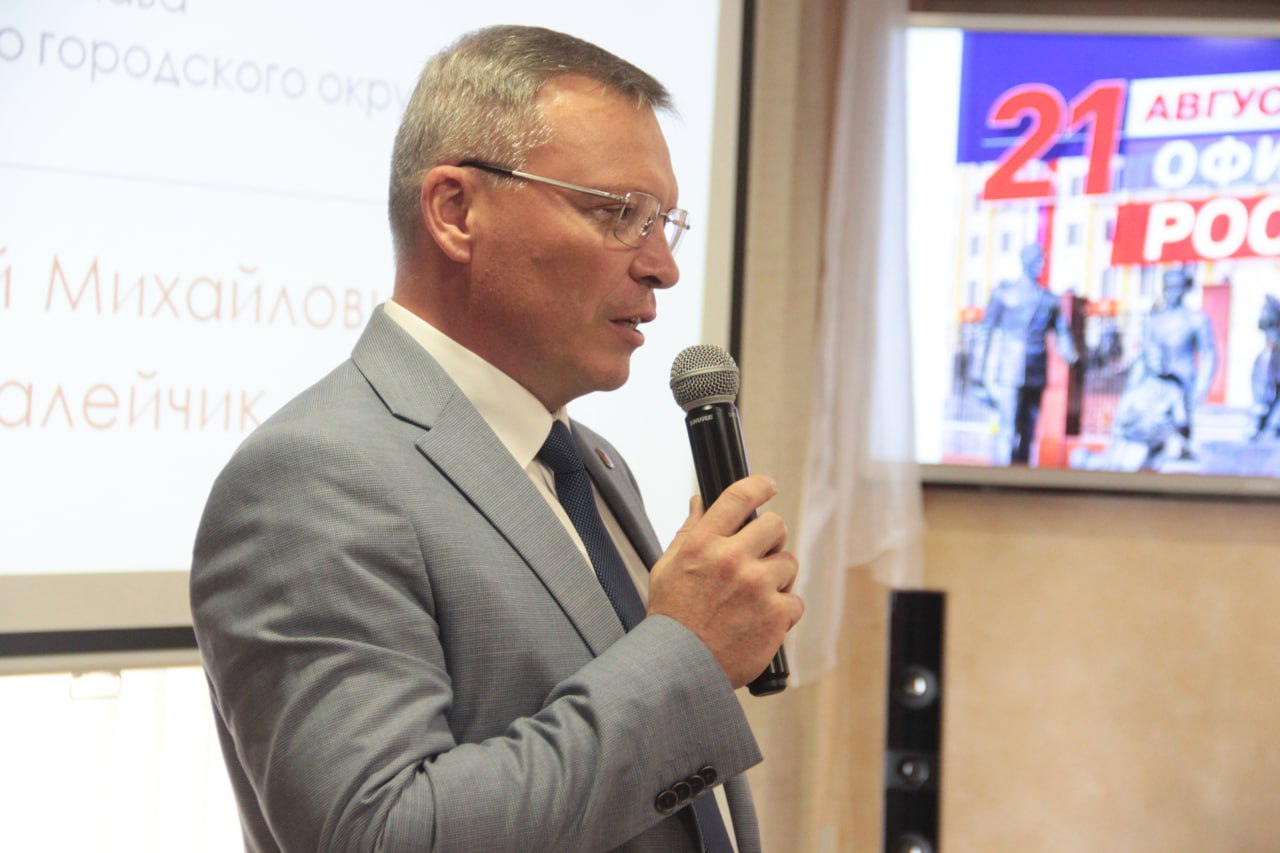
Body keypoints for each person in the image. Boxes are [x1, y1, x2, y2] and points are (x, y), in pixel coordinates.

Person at [190, 25, 802, 853]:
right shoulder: (312, 477)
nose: (663, 265)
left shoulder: (592, 461)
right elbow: (384, 834)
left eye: (665, 222)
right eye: (621, 213)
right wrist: (686, 650)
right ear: (455, 211)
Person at [969, 242, 1078, 465]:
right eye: (1036, 259)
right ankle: (1001, 474)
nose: (1040, 264)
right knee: (1007, 427)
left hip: (1036, 369)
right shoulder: (1005, 295)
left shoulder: (1048, 299)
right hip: (1010, 368)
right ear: (1024, 261)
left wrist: (1071, 354)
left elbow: (1062, 331)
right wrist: (977, 370)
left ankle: (1022, 473)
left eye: (1042, 260)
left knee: (1029, 429)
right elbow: (985, 331)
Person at [1127, 267, 1217, 454]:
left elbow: (1209, 356)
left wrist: (1199, 390)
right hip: (1155, 385)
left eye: (1176, 287)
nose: (1172, 293)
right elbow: (1144, 357)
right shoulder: (1154, 321)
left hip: (1183, 384)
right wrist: (1132, 389)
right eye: (1168, 287)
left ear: (1184, 290)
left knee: (1178, 435)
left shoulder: (1196, 320)